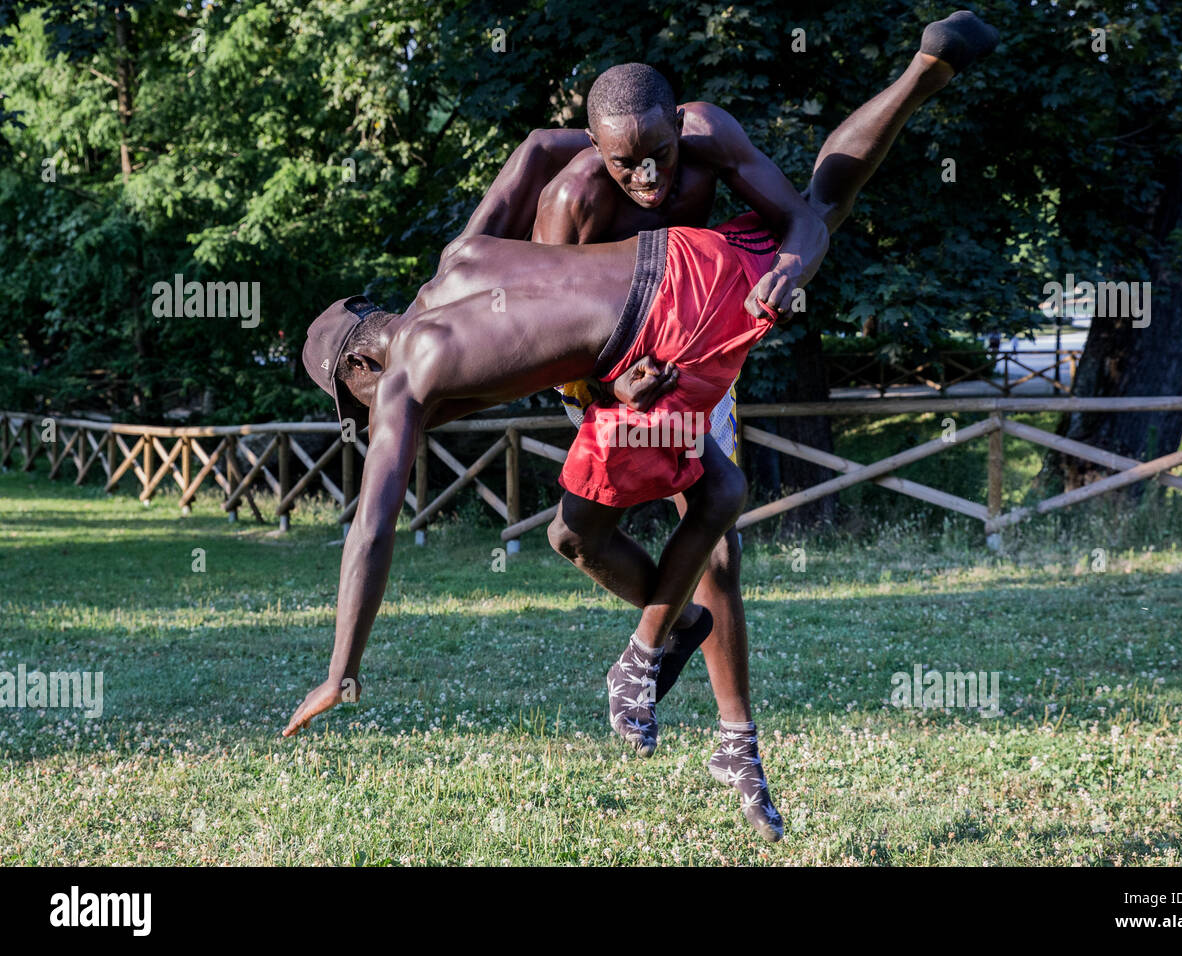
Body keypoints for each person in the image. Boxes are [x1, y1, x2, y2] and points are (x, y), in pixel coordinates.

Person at [283, 11, 999, 843]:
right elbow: (548, 277)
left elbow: (372, 528)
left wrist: (342, 671)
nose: (648, 175)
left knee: (624, 532)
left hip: (668, 336)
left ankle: (698, 700)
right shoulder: (499, 229)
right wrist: (615, 381)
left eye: (656, 153)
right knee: (681, 502)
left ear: (362, 374)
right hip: (665, 308)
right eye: (626, 161)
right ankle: (921, 72)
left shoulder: (412, 370)